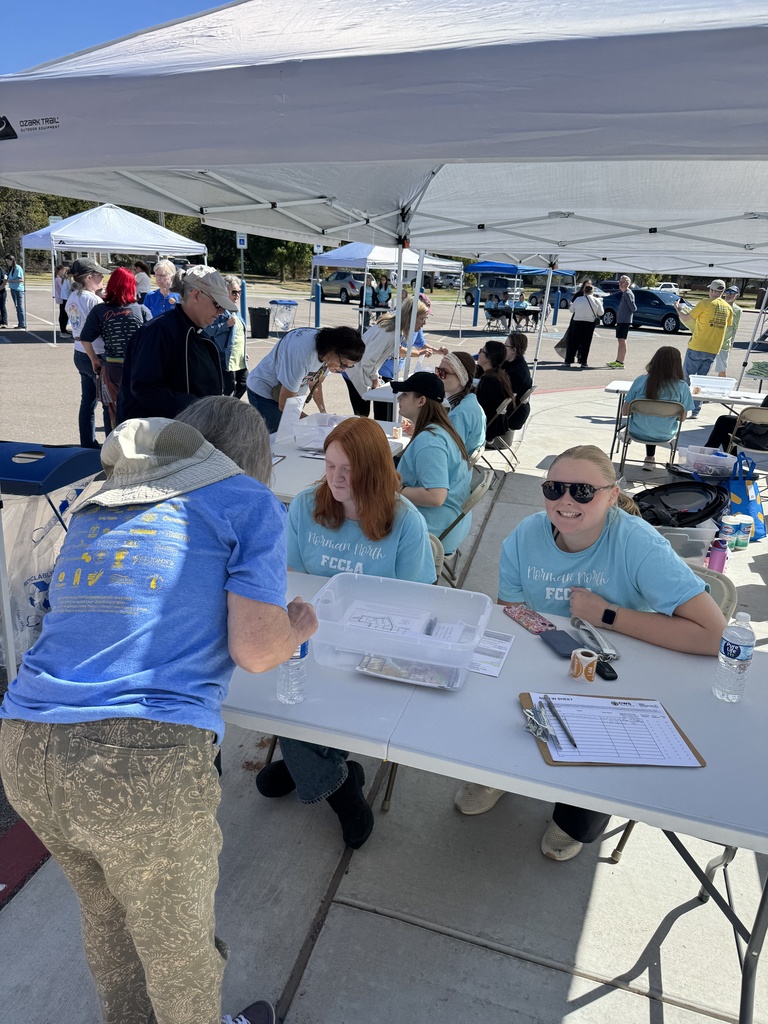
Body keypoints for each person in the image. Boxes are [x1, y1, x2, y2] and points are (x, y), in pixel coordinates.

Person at [0, 396, 318, 1024]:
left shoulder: (101, 501)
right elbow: (256, 650)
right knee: (178, 953)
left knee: (108, 919)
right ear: (256, 461)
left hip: (26, 741)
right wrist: (298, 625)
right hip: (141, 760)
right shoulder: (247, 502)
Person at [453, 444, 725, 860]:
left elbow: (714, 636)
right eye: (554, 488)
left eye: (582, 491)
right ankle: (501, 772)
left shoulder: (638, 544)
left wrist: (607, 615)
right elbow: (512, 611)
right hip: (548, 655)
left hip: (625, 669)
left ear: (612, 495)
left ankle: (574, 816)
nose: (565, 500)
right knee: (490, 687)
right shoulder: (525, 536)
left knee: (599, 741)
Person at [256, 417, 436, 847]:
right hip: (313, 636)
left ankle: (323, 774)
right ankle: (337, 777)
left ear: (373, 470)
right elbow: (294, 579)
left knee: (305, 698)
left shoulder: (405, 522)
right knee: (281, 686)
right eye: (330, 464)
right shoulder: (304, 505)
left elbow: (415, 605)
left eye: (348, 469)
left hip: (374, 644)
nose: (335, 478)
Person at [117, 265, 236, 423]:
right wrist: (199, 407)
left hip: (188, 430)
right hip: (157, 436)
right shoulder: (158, 331)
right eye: (217, 304)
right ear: (196, 295)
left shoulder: (198, 332)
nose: (221, 312)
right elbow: (144, 388)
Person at [391, 371, 472, 554]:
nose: (399, 399)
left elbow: (436, 497)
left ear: (421, 401)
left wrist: (396, 490)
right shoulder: (439, 430)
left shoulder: (429, 441)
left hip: (434, 531)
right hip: (448, 525)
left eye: (405, 394)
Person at [246, 325, 364, 433]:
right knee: (277, 439)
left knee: (293, 434)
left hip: (289, 395)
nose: (343, 369)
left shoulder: (329, 355)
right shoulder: (303, 353)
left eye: (348, 366)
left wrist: (324, 414)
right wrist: (314, 422)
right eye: (343, 364)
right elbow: (285, 405)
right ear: (333, 351)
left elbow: (316, 384)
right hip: (264, 392)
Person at [81, 266, 152, 430]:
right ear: (132, 286)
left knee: (112, 411)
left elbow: (85, 338)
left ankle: (113, 448)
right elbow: (153, 341)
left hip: (112, 368)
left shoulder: (100, 310)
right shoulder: (141, 310)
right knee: (139, 409)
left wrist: (94, 359)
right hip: (138, 368)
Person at [343, 298, 432, 418]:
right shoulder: (390, 332)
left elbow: (374, 356)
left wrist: (375, 374)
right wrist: (374, 379)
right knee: (362, 415)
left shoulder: (395, 329)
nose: (424, 323)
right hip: (355, 371)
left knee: (365, 414)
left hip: (359, 370)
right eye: (422, 319)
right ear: (411, 317)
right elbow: (367, 360)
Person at [622, 346, 695, 469]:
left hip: (638, 431)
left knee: (647, 423)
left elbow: (625, 412)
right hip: (665, 434)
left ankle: (648, 457)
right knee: (657, 424)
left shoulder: (640, 381)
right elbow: (681, 418)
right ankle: (651, 459)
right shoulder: (682, 387)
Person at [66, 257, 109, 448]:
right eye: (99, 276)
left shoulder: (74, 296)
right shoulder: (94, 300)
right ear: (89, 277)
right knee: (107, 403)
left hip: (79, 351)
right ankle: (111, 445)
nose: (102, 279)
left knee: (88, 402)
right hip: (96, 353)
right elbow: (103, 326)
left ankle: (87, 443)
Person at [676, 279, 733, 416]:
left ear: (711, 291)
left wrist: (677, 308)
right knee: (701, 380)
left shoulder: (705, 303)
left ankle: (682, 408)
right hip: (713, 348)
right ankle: (696, 410)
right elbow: (727, 326)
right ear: (722, 292)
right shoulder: (728, 308)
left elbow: (685, 318)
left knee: (687, 378)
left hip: (698, 345)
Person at [203, 275, 248, 398]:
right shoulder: (220, 310)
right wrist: (225, 325)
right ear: (225, 292)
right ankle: (227, 410)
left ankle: (232, 404)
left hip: (238, 356)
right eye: (234, 292)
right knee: (229, 388)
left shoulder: (236, 311)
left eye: (239, 292)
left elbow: (239, 335)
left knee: (245, 383)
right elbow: (208, 330)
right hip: (224, 356)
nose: (237, 295)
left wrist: (243, 352)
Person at [439, 351, 486, 453]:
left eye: (443, 373)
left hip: (457, 467)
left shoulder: (459, 414)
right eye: (438, 371)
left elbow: (449, 453)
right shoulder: (471, 401)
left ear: (461, 378)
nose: (438, 376)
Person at [474, 341, 516, 442]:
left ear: (489, 358)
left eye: (482, 351)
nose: (479, 354)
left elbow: (477, 408)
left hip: (484, 428)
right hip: (493, 425)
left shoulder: (490, 380)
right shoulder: (500, 375)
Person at [564, 283, 603, 368]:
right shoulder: (597, 300)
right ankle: (583, 361)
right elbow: (601, 312)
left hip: (577, 322)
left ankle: (568, 360)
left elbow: (571, 310)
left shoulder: (578, 299)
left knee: (574, 342)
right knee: (586, 343)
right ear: (592, 292)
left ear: (584, 291)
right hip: (589, 323)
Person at [502, 332, 533, 432]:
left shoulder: (517, 372)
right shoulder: (512, 363)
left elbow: (502, 396)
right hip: (512, 410)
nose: (502, 349)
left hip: (513, 415)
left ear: (513, 350)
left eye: (505, 346)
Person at [606, 275, 636, 369]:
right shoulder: (624, 293)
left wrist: (626, 314)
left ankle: (621, 361)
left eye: (622, 282)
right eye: (620, 282)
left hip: (624, 321)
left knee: (622, 340)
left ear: (627, 284)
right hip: (621, 320)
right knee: (620, 340)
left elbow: (633, 307)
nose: (620, 284)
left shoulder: (628, 293)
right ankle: (618, 360)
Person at [715, 285, 742, 377]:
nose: (729, 295)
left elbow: (735, 328)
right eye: (727, 292)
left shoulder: (738, 310)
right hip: (711, 342)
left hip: (724, 344)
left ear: (737, 296)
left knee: (722, 370)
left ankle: (721, 390)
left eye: (732, 292)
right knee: (703, 369)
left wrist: (731, 343)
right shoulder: (718, 304)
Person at [5, 253, 26, 329]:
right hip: (13, 289)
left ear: (12, 260)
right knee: (17, 306)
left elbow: (21, 279)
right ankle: (20, 322)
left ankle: (22, 323)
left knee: (20, 306)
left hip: (18, 289)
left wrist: (11, 281)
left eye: (8, 261)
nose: (7, 263)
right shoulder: (12, 268)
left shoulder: (18, 268)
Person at [54, 263, 71, 333]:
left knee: (64, 313)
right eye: (63, 270)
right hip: (62, 298)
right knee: (63, 314)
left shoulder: (60, 278)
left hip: (62, 297)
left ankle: (64, 328)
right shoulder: (58, 279)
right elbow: (63, 288)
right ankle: (63, 329)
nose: (63, 272)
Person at [0, 258, 7, 328]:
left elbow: (4, 282)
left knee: (2, 307)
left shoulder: (2, 271)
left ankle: (4, 322)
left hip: (2, 291)